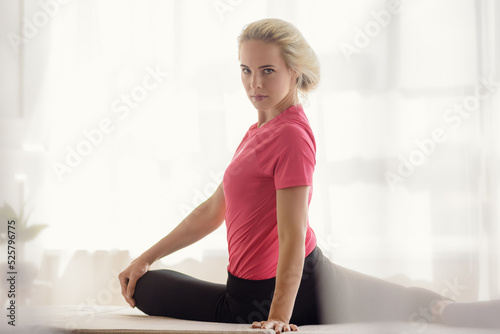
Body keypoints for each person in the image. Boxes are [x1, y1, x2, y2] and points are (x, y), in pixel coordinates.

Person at [118, 18, 500, 333]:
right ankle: (448, 310)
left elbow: (292, 235)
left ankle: (454, 313)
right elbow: (214, 209)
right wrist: (146, 258)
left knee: (148, 291)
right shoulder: (258, 131)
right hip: (307, 274)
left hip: (268, 292)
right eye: (246, 70)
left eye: (268, 71)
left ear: (293, 71)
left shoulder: (290, 136)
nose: (254, 84)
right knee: (404, 301)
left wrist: (278, 318)